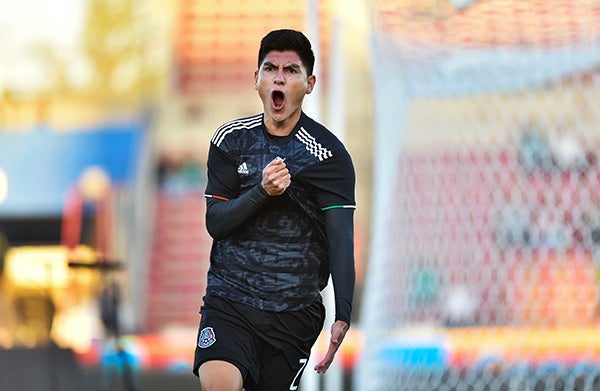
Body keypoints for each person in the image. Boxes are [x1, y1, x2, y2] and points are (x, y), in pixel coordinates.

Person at [193, 29, 356, 391]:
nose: (278, 77)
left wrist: (342, 314)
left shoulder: (329, 157)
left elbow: (341, 238)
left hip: (293, 314)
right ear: (257, 80)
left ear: (309, 83)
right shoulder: (230, 141)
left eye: (291, 70)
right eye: (270, 68)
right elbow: (216, 223)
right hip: (230, 302)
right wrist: (262, 192)